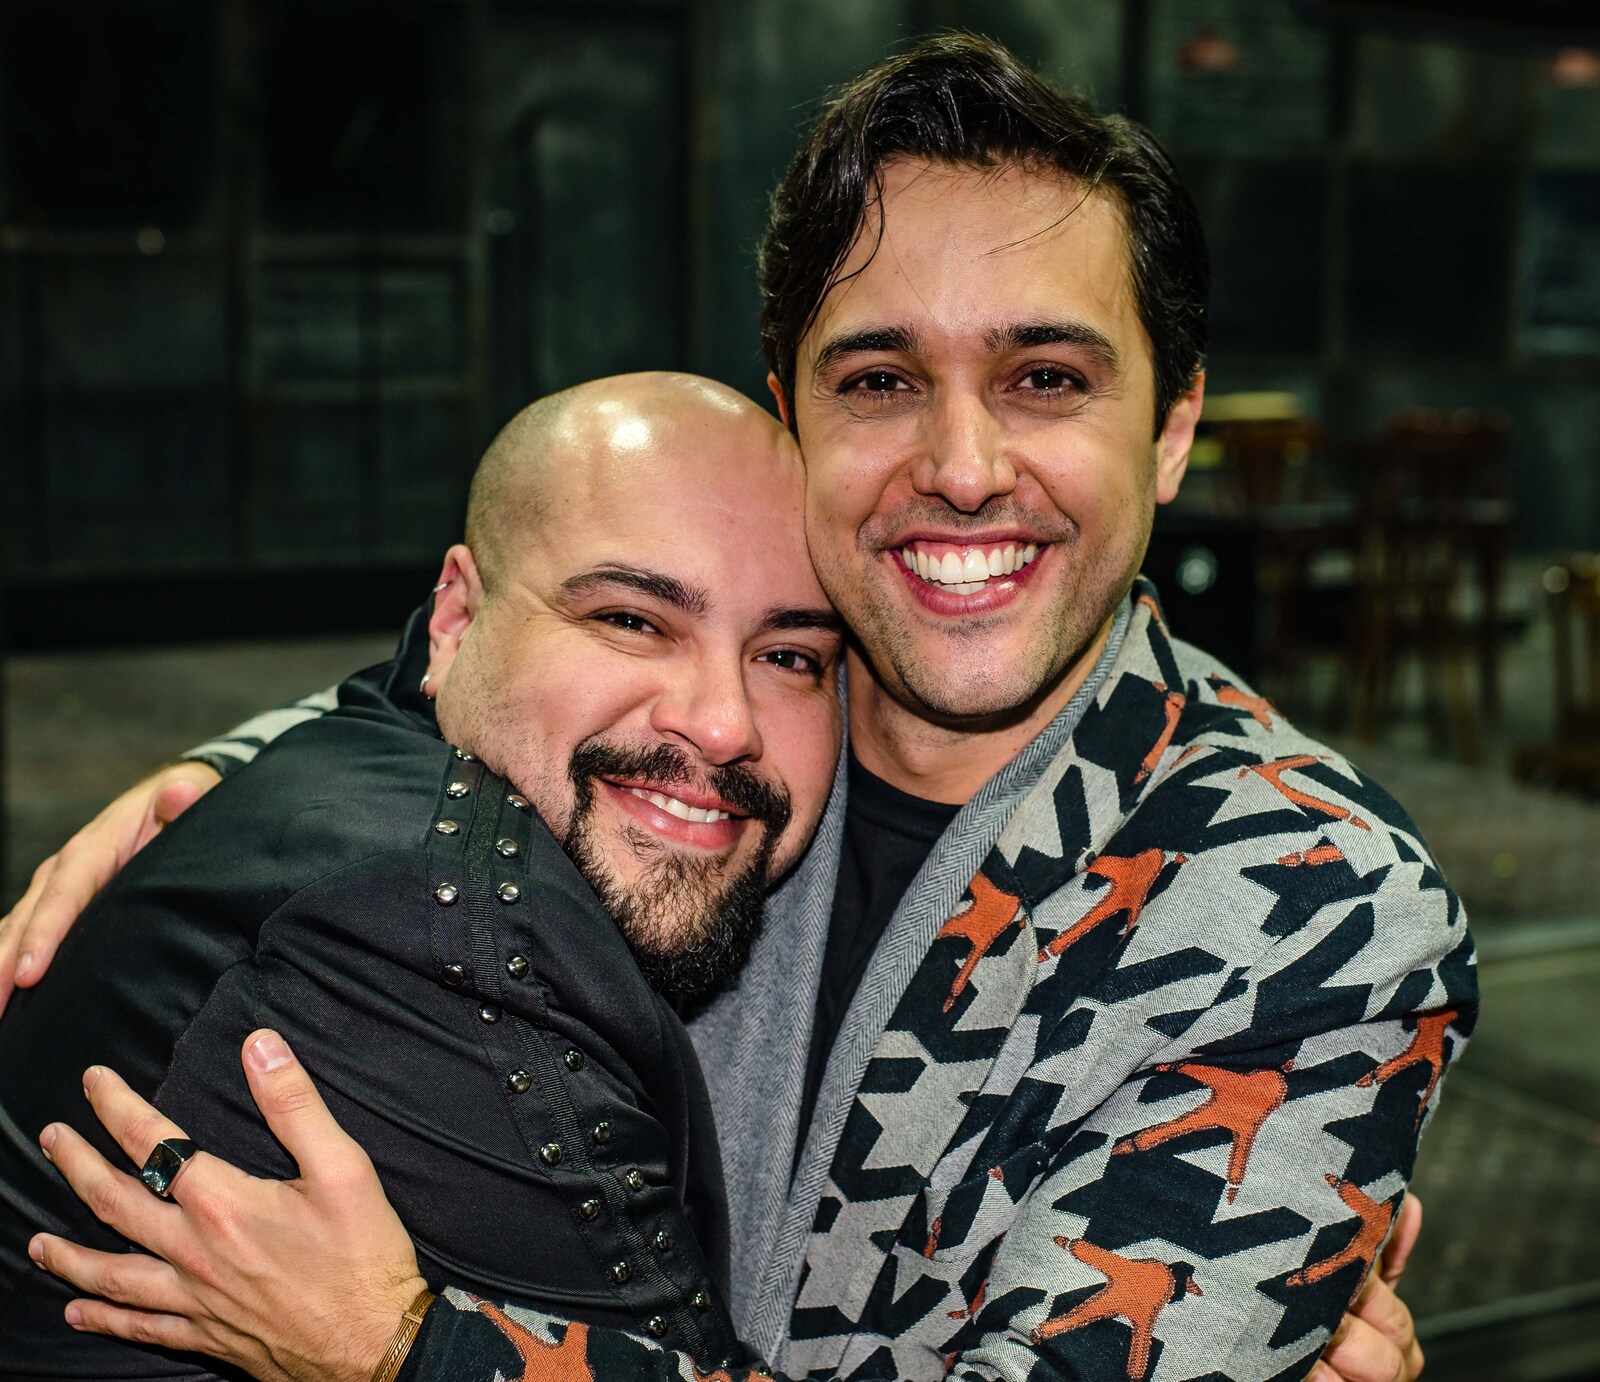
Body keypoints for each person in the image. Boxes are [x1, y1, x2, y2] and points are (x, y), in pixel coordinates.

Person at [13, 34, 1465, 1382]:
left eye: (1045, 377)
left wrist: (410, 1349)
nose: (964, 466)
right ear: (793, 416)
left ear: (1172, 429)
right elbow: (495, 674)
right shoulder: (730, 733)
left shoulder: (1317, 908)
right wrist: (227, 785)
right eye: (881, 379)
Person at [0, 373, 844, 1378]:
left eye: (790, 656)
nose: (724, 722)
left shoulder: (381, 771)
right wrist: (409, 1347)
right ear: (455, 617)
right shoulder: (444, 938)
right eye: (631, 620)